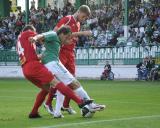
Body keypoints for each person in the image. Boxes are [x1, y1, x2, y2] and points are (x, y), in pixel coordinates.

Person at [16, 25, 94, 118]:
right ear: (30, 30)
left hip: (25, 69)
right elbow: (41, 36)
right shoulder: (28, 33)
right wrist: (36, 37)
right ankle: (80, 102)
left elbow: (32, 55)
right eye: (34, 31)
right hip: (34, 66)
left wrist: (43, 53)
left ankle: (34, 112)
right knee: (57, 83)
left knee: (47, 89)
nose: (34, 33)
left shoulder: (19, 40)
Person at [44, 5, 92, 115]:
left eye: (85, 18)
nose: (84, 19)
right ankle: (48, 103)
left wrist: (73, 42)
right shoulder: (67, 19)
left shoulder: (78, 24)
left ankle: (65, 105)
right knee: (58, 79)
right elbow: (56, 32)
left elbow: (70, 37)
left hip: (70, 53)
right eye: (83, 16)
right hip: (62, 52)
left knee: (72, 80)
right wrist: (82, 33)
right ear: (79, 12)